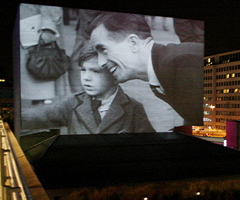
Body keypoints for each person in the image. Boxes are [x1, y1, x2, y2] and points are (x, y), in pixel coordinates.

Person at [88, 12, 203, 129]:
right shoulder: (163, 68)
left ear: (133, 43)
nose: (100, 63)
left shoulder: (179, 64)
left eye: (103, 49)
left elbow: (219, 131)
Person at [22, 43, 155, 134]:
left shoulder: (134, 108)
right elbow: (35, 117)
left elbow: (149, 145)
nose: (86, 77)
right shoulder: (73, 103)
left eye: (95, 71)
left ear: (115, 74)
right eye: (83, 70)